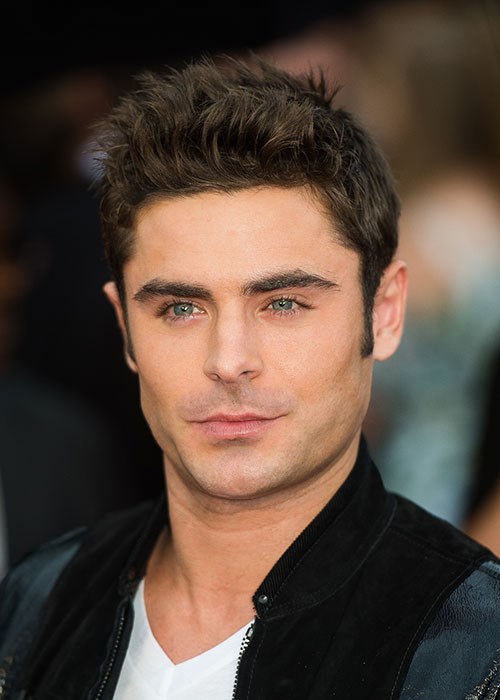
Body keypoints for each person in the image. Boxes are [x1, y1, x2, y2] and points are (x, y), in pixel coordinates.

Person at [1, 53, 499, 700]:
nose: (229, 359)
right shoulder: (36, 603)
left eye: (283, 303)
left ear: (384, 313)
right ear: (125, 327)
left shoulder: (476, 650)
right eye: (181, 308)